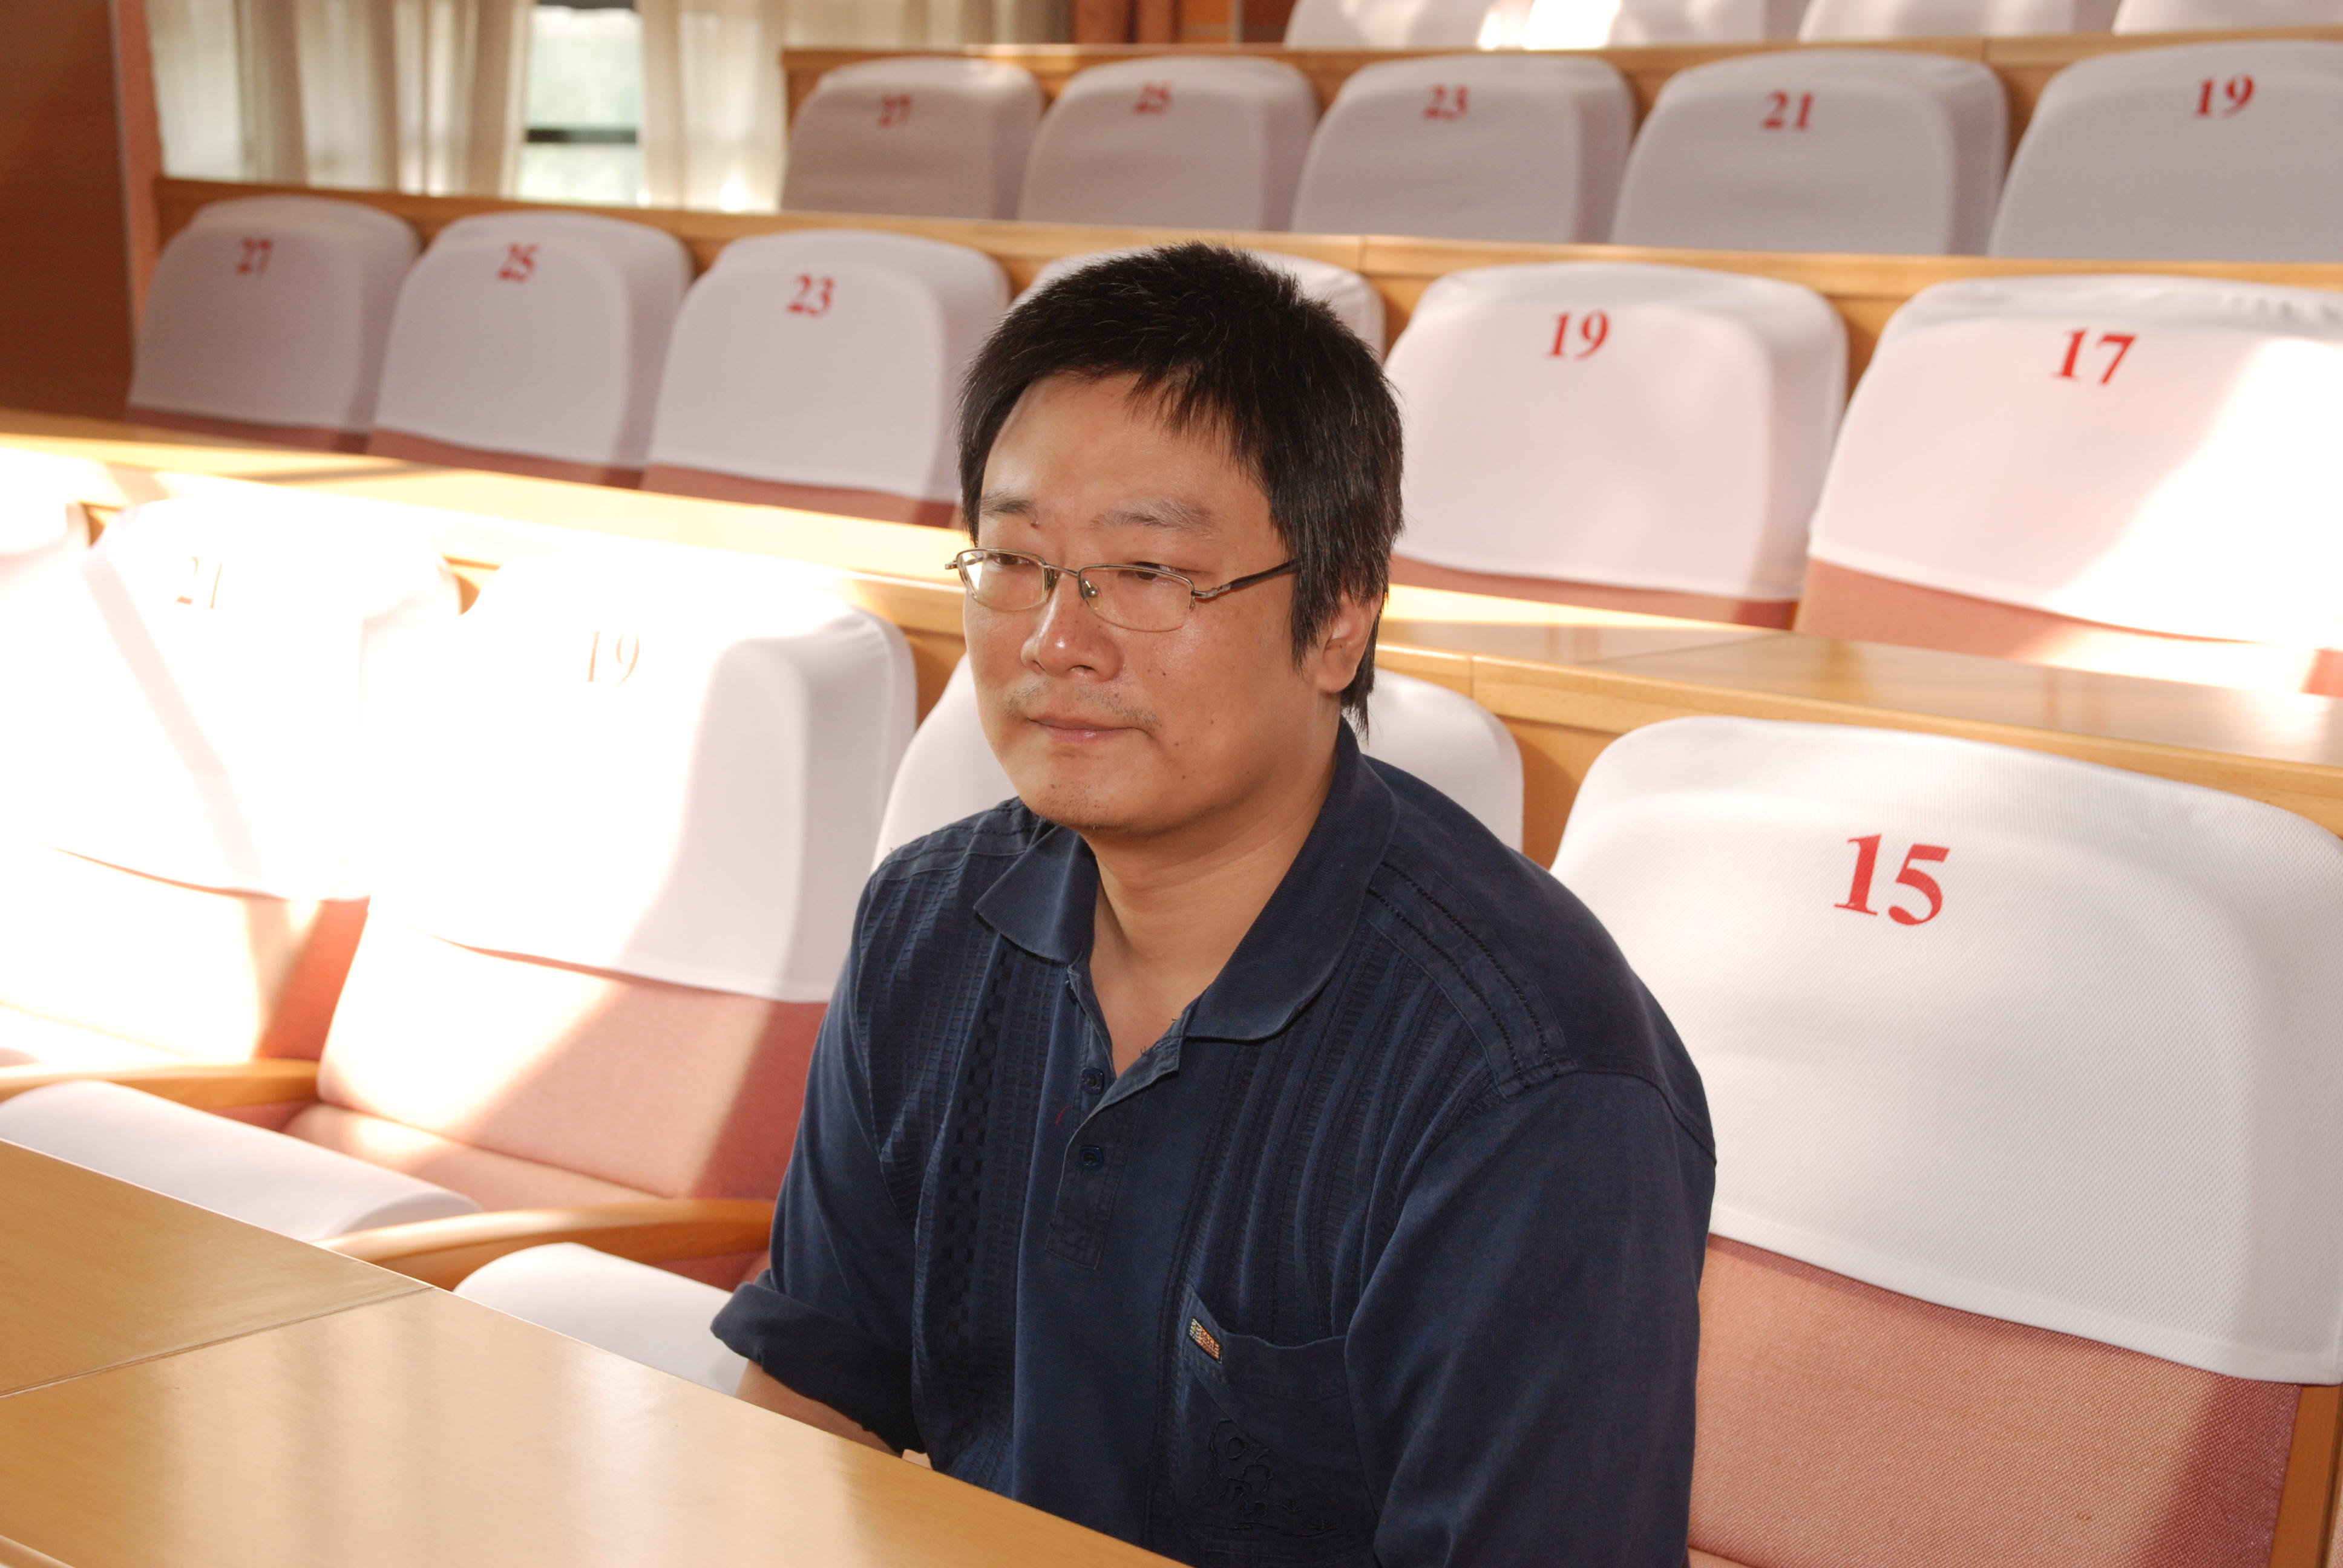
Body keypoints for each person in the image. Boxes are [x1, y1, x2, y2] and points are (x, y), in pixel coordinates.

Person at [713, 244, 1714, 1567]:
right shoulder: (927, 919)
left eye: (1148, 574)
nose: (1057, 640)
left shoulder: (1529, 1082)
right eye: (1013, 559)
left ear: (1339, 621)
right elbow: (812, 1392)